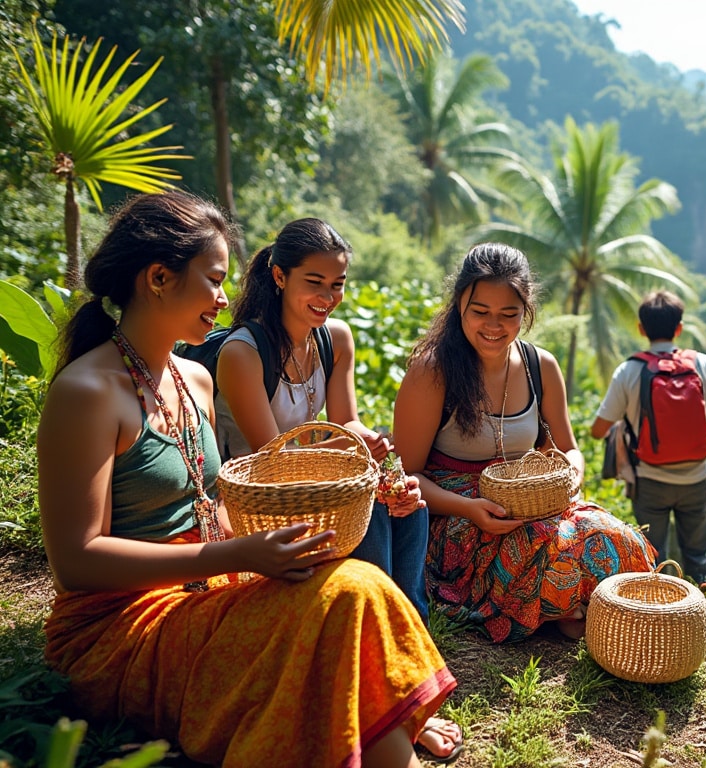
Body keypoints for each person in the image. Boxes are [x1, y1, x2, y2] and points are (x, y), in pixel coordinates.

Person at [37, 191, 461, 767]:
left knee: (355, 586)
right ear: (158, 278)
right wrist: (240, 555)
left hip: (209, 588)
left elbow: (213, 502)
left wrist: (297, 535)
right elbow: (77, 561)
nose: (223, 298)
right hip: (122, 626)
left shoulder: (193, 379)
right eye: (213, 280)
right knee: (347, 597)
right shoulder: (87, 393)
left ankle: (394, 732)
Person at [394, 243, 656, 643]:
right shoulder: (432, 373)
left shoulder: (540, 367)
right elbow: (405, 476)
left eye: (508, 314)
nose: (493, 326)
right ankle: (569, 609)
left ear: (526, 310)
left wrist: (572, 475)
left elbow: (568, 449)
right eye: (480, 311)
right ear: (459, 303)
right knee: (541, 547)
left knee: (617, 538)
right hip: (459, 520)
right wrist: (470, 508)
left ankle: (571, 609)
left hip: (535, 504)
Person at [214, 218, 430, 619]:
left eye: (337, 284)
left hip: (311, 476)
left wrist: (370, 443)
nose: (327, 297)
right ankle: (374, 619)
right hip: (257, 497)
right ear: (280, 276)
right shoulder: (243, 353)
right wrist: (349, 453)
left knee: (408, 502)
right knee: (371, 505)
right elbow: (271, 460)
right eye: (314, 282)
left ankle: (409, 617)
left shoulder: (335, 339)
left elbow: (347, 422)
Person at [591, 290, 706, 586]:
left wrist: (624, 424)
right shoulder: (704, 365)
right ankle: (700, 604)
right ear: (679, 328)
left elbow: (597, 430)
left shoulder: (628, 371)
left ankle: (658, 608)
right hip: (696, 480)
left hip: (649, 482)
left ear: (641, 329)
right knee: (698, 557)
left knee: (653, 558)